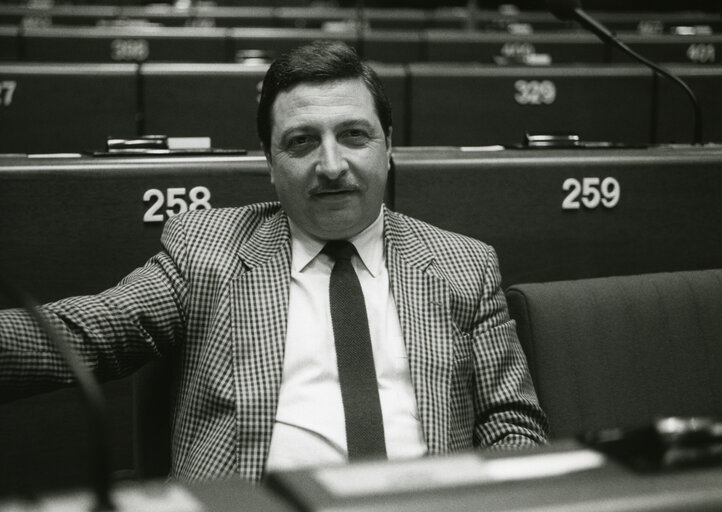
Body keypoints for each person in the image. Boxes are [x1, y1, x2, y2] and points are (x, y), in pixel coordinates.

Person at [0, 40, 547, 484]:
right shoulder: (209, 250)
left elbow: (511, 420)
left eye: (354, 135)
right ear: (269, 162)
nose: (331, 165)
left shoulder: (463, 265)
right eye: (302, 142)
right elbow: (85, 333)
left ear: (388, 147)